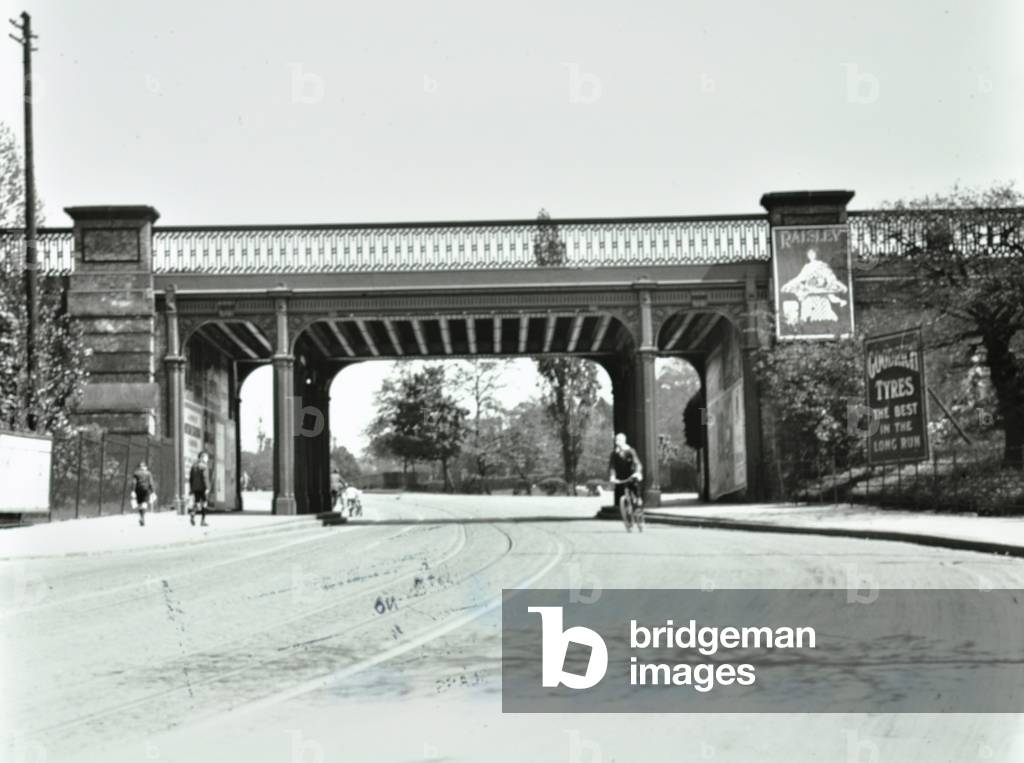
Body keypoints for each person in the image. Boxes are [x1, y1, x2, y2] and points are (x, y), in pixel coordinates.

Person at [608, 432, 644, 532]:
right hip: (621, 477)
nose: (616, 441)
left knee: (636, 493)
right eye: (616, 440)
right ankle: (628, 518)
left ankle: (639, 509)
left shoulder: (630, 451)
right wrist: (612, 476)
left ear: (624, 441)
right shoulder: (614, 453)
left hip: (632, 475)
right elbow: (612, 466)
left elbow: (637, 463)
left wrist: (637, 472)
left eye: (618, 440)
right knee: (624, 496)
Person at [188, 452, 211, 527]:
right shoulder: (204, 466)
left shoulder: (193, 466)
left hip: (195, 488)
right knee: (204, 503)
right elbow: (205, 477)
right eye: (206, 457)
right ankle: (203, 521)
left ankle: (193, 514)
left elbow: (191, 479)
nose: (207, 459)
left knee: (197, 503)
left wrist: (191, 489)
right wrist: (207, 487)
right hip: (203, 488)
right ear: (202, 457)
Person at [131, 460, 155, 527]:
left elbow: (134, 483)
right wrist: (153, 491)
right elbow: (151, 483)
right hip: (146, 489)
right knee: (144, 503)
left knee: (140, 504)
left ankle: (141, 516)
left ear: (139, 467)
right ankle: (143, 517)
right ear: (145, 467)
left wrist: (133, 491)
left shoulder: (136, 473)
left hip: (138, 489)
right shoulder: (148, 473)